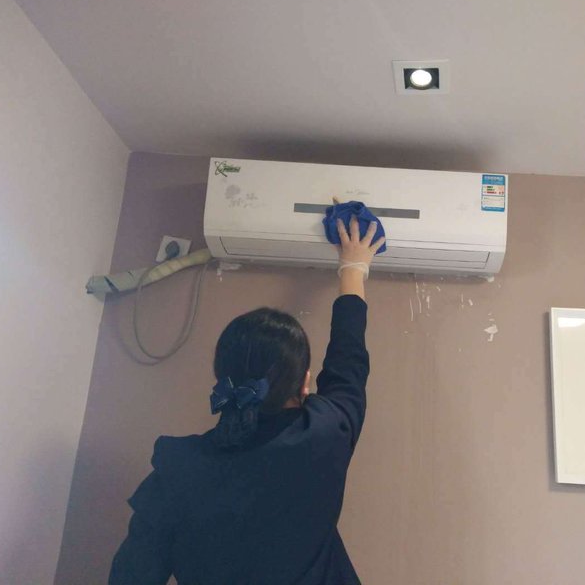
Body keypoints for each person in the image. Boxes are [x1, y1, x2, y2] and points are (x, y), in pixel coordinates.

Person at [109, 216, 385, 585]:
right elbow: (347, 362)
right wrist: (353, 266)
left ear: (222, 380)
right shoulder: (325, 432)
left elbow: (131, 576)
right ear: (304, 383)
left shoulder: (178, 468)